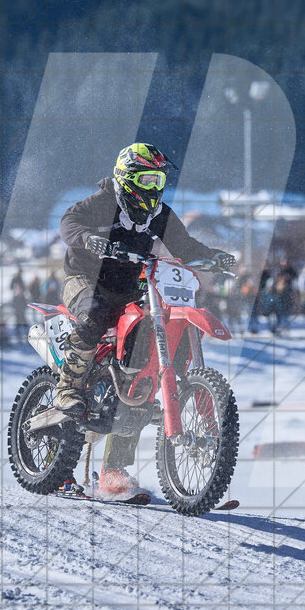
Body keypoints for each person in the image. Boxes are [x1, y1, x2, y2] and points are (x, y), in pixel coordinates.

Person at [55, 143, 235, 495]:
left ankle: (113, 471)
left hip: (128, 290)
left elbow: (185, 246)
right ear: (126, 177)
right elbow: (68, 222)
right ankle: (66, 387)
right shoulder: (102, 202)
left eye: (159, 179)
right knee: (92, 315)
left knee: (142, 371)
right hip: (85, 281)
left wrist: (212, 257)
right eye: (147, 178)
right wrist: (89, 239)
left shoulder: (160, 215)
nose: (154, 187)